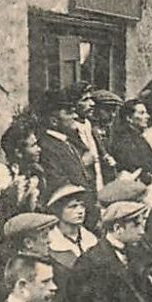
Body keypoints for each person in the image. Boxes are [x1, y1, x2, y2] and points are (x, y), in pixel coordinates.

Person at [35, 91, 98, 227]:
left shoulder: (67, 141)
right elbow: (58, 183)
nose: (75, 116)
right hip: (67, 215)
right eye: (69, 113)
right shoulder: (47, 147)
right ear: (54, 121)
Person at [44, 185, 98, 274]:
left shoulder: (92, 240)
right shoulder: (50, 244)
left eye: (82, 206)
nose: (80, 211)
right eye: (73, 206)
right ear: (58, 210)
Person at [109, 98, 152, 182]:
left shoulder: (139, 137)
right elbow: (132, 167)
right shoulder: (124, 140)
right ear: (129, 118)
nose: (147, 116)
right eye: (141, 113)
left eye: (146, 113)